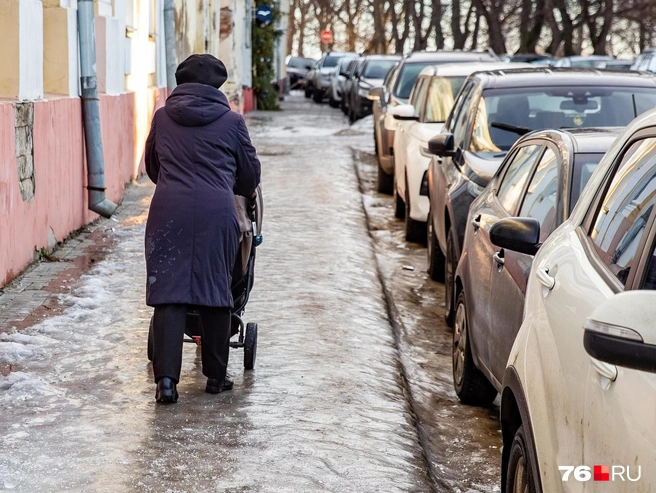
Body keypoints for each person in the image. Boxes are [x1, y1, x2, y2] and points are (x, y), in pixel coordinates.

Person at [144, 54, 261, 403]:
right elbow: (249, 177)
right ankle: (215, 377)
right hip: (216, 214)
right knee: (216, 290)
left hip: (168, 212)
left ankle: (166, 383)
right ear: (218, 85)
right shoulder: (232, 122)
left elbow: (152, 167)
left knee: (168, 291)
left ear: (181, 82)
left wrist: (173, 182)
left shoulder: (163, 118)